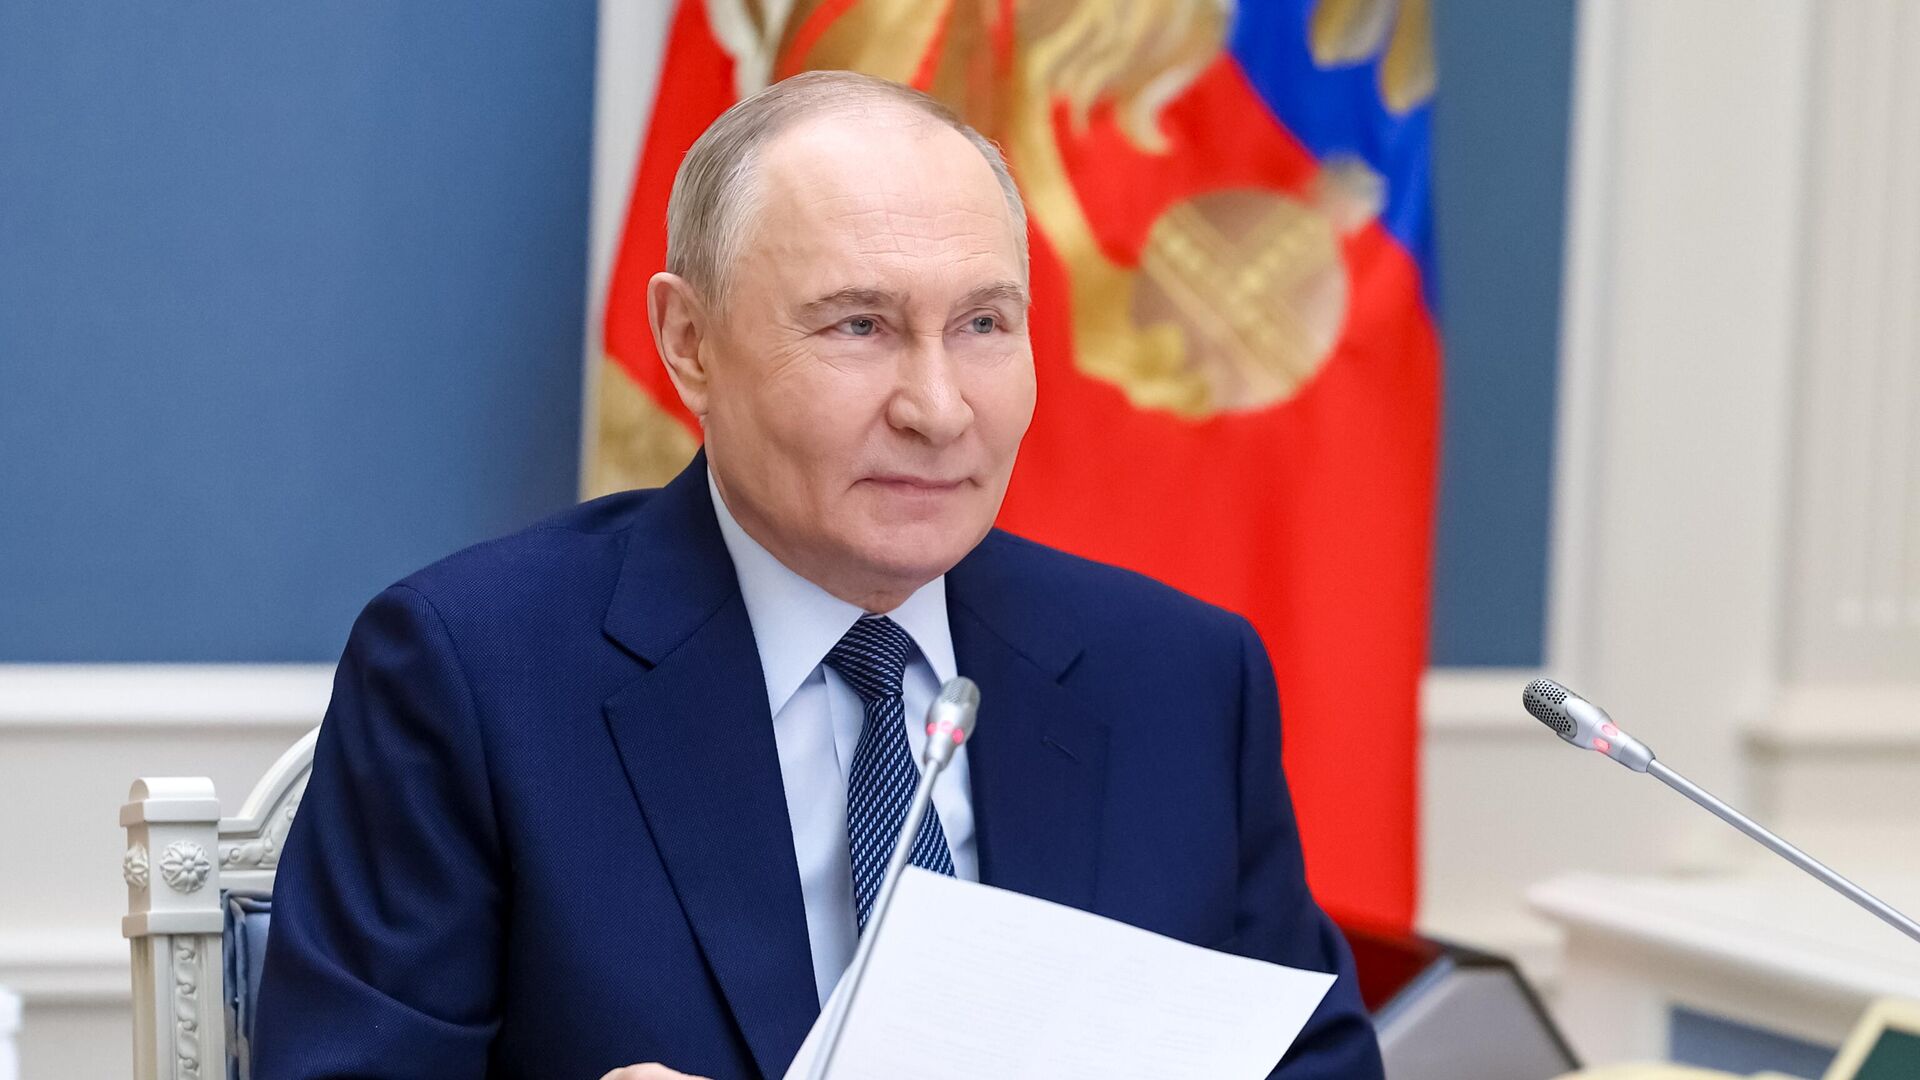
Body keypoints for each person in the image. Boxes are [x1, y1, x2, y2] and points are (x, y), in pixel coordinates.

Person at [253, 70, 1384, 1080]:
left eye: (984, 324)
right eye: (859, 327)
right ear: (690, 343)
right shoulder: (473, 674)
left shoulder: (1180, 679)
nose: (938, 408)